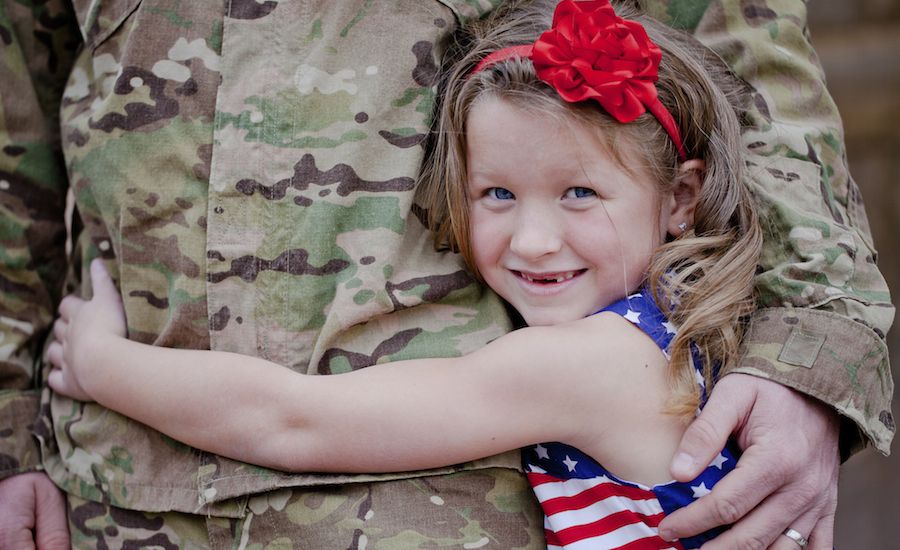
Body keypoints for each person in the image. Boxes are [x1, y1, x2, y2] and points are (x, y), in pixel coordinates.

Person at [0, 0, 892, 549]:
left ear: (682, 198)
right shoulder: (662, 341)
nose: (535, 241)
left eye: (580, 191)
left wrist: (100, 364)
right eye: (495, 193)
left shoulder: (597, 365)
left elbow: (292, 421)